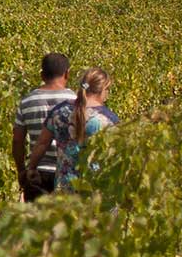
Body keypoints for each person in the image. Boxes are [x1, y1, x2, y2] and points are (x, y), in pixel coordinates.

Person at [29, 68, 118, 191]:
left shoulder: (59, 112)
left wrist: (32, 168)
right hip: (95, 190)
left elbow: (42, 143)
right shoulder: (108, 120)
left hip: (65, 188)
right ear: (103, 90)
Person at [12, 53, 76, 201]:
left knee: (37, 222)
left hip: (37, 174)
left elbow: (17, 140)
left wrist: (22, 170)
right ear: (67, 74)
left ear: (42, 75)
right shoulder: (76, 101)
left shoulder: (27, 101)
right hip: (68, 173)